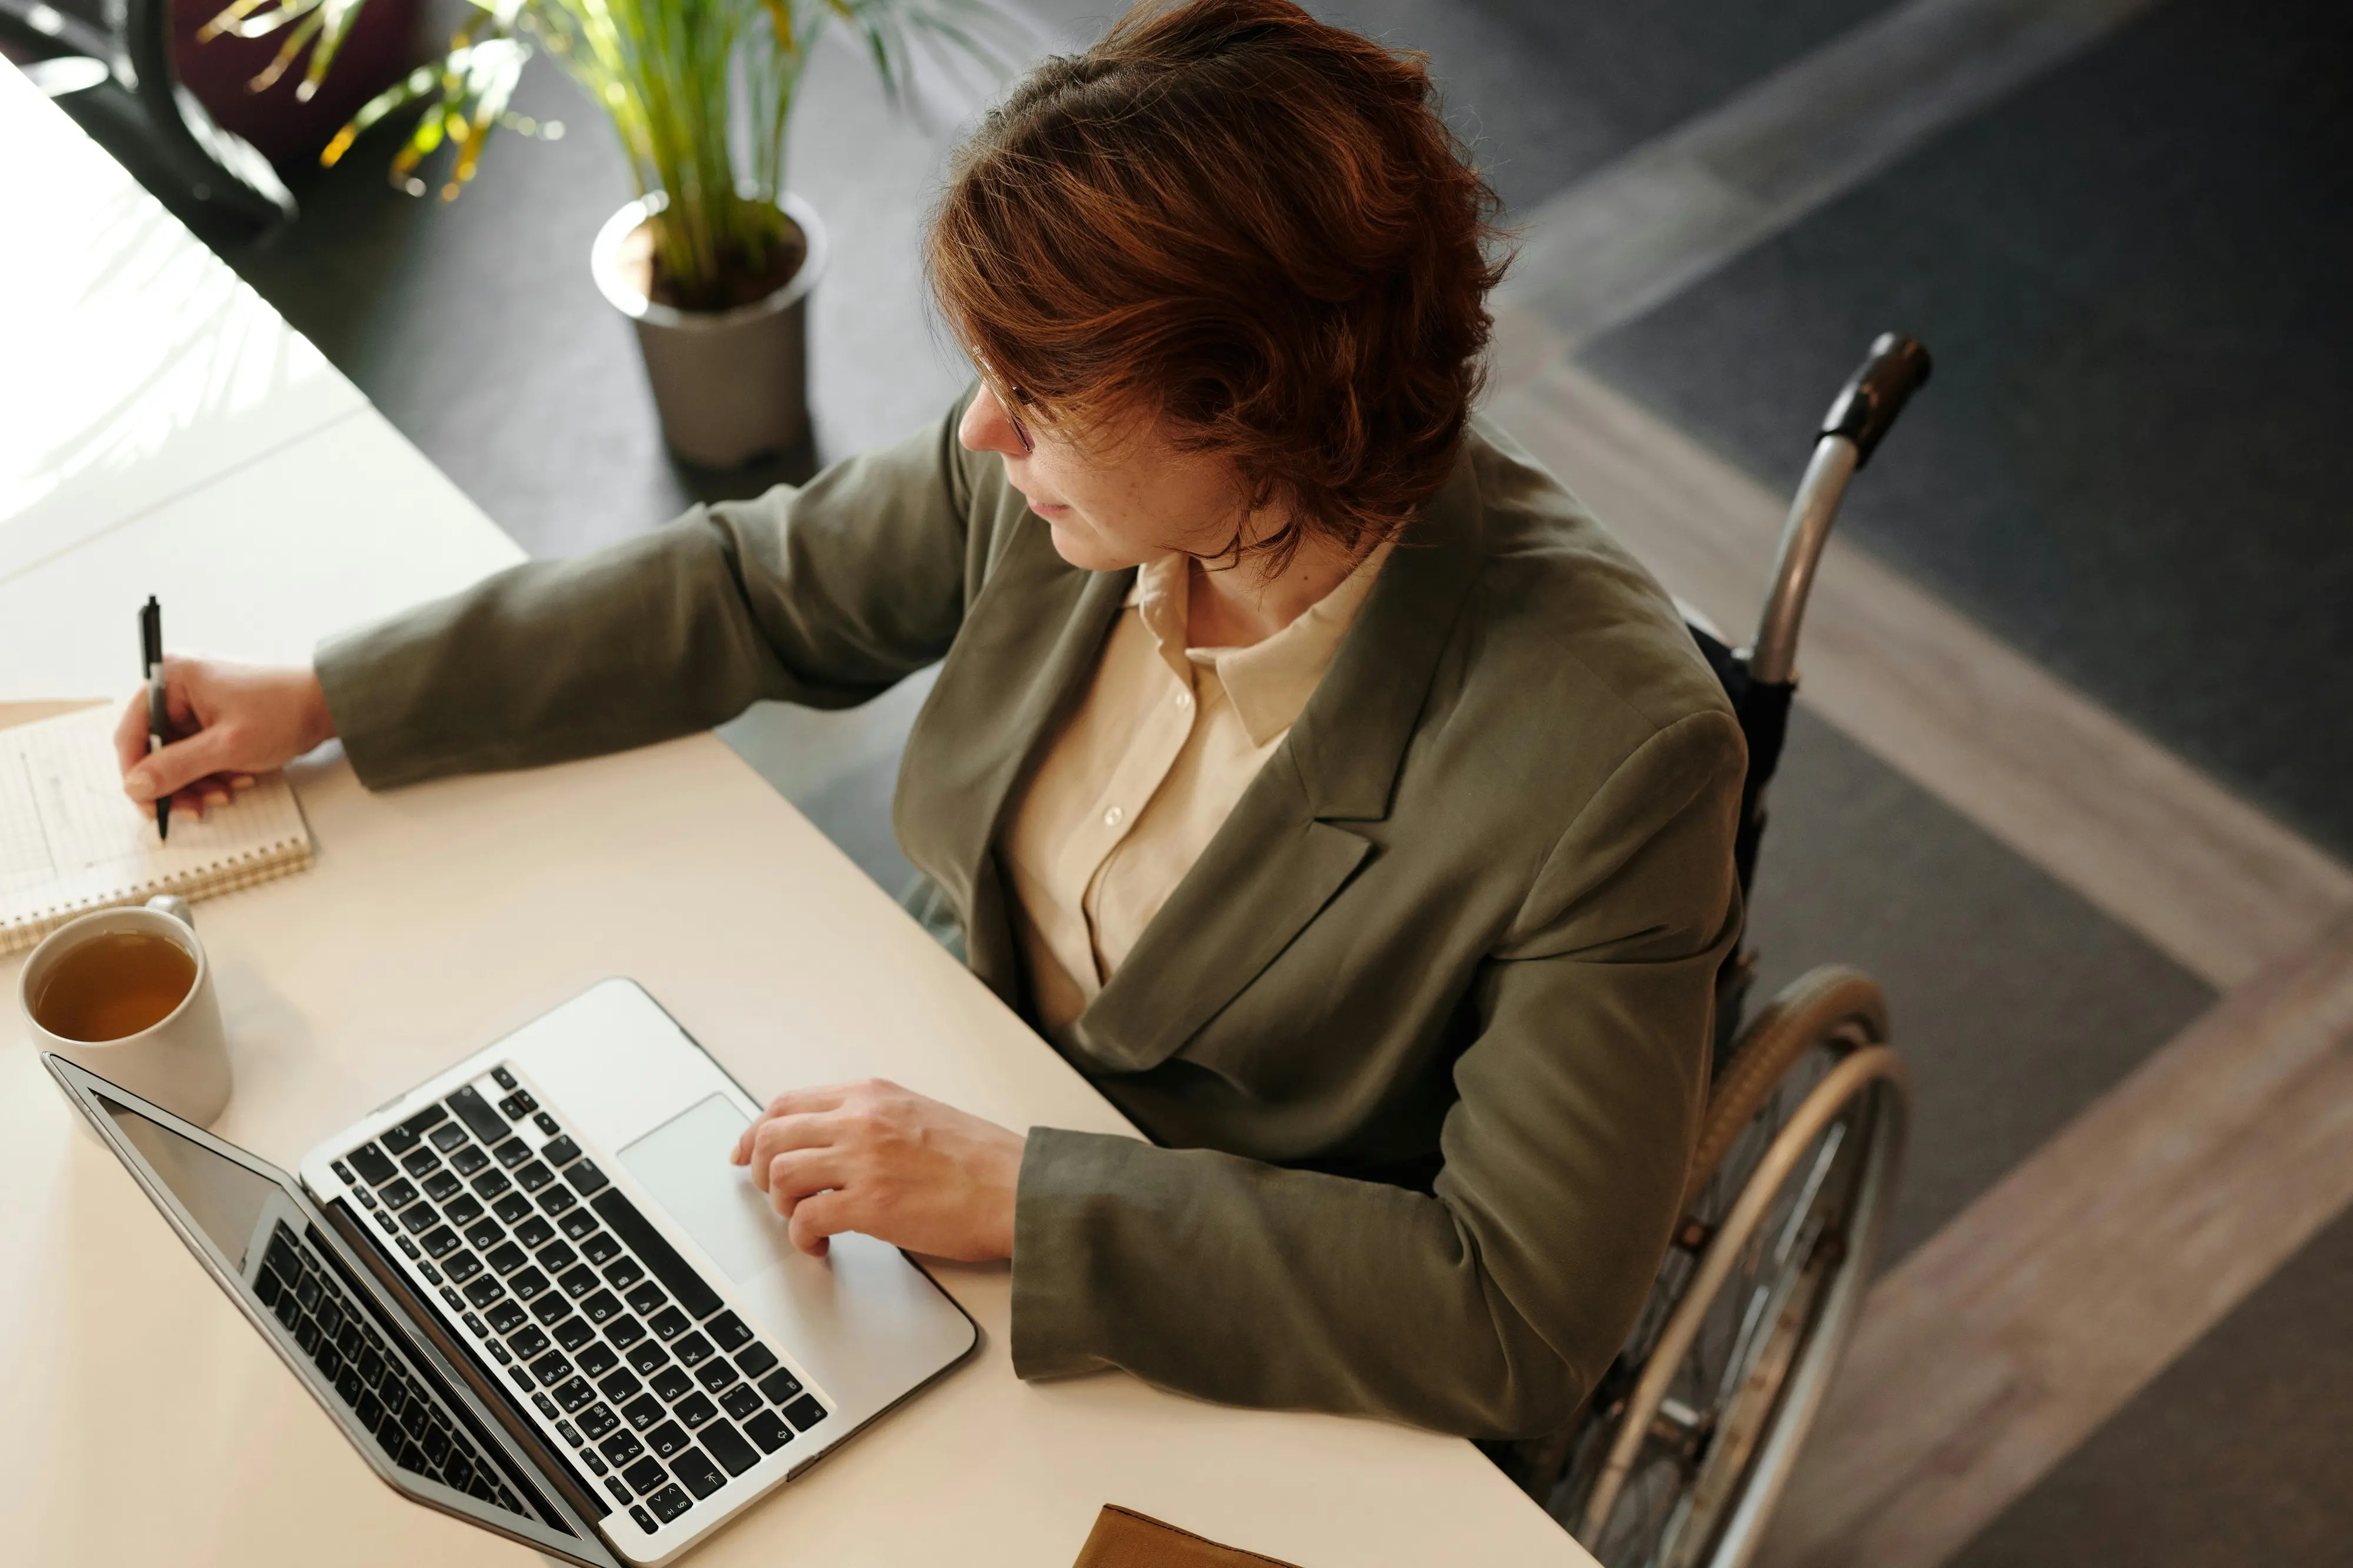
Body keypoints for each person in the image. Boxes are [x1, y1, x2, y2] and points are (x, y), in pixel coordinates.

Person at [116, 0, 1742, 1442]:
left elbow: (1517, 1319)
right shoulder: (1057, 488)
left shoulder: (1615, 758)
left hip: (1219, 1298)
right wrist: (340, 694)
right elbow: (755, 588)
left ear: (1252, 411)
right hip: (918, 1116)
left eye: (1035, 402)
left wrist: (1026, 1200)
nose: (979, 431)